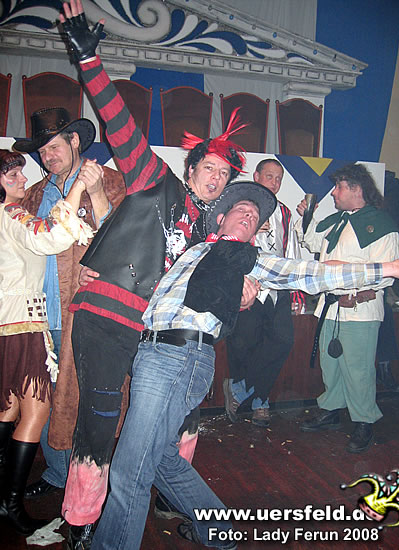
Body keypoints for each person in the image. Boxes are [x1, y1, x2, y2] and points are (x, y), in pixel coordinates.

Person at [90, 180, 399, 550]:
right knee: (161, 459)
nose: (249, 216)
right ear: (221, 218)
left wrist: (384, 268)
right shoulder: (193, 250)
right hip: (152, 354)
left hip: (177, 355)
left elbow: (312, 273)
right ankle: (219, 531)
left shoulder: (247, 258)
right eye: (242, 210)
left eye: (255, 217)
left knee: (129, 470)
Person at [58, 1, 255, 547]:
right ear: (191, 168)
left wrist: (244, 288)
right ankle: (81, 522)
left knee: (179, 423)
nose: (214, 178)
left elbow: (222, 279)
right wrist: (89, 60)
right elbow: (119, 125)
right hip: (108, 318)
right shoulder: (155, 179)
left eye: (223, 174)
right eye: (208, 168)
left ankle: (172, 499)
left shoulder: (211, 233)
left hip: (157, 338)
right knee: (99, 423)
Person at [12, 107, 126, 500]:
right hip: (36, 316)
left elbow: (123, 241)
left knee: (83, 401)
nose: (47, 156)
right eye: (42, 151)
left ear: (75, 140)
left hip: (85, 314)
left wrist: (96, 194)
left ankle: (89, 485)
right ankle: (59, 474)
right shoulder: (34, 193)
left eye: (54, 147)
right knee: (43, 399)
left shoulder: (111, 181)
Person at [0, 149, 93, 536]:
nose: (23, 179)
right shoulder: (11, 213)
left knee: (8, 411)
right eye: (12, 175)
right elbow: (50, 237)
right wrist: (78, 189)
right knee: (36, 413)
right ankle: (9, 504)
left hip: (8, 324)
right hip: (23, 324)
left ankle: (4, 499)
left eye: (21, 173)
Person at [297, 163, 399, 453]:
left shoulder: (382, 225)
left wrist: (341, 273)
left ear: (356, 189)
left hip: (359, 309)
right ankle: (331, 410)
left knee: (358, 369)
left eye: (339, 187)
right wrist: (306, 217)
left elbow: (384, 274)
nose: (334, 192)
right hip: (331, 308)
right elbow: (311, 241)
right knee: (330, 365)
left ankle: (364, 420)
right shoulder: (337, 220)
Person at [224, 158, 305, 427]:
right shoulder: (241, 207)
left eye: (279, 178)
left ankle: (239, 391)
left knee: (283, 341)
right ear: (257, 176)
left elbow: (291, 250)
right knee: (245, 344)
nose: (275, 182)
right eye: (269, 176)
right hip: (248, 287)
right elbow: (223, 243)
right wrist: (250, 232)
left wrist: (296, 292)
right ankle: (260, 401)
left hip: (277, 287)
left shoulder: (284, 212)